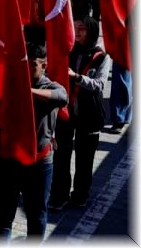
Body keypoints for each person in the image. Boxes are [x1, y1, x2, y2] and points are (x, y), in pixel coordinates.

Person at [0, 43, 68, 241]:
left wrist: (29, 92)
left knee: (36, 216)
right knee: (3, 215)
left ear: (44, 66)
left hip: (39, 162)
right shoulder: (8, 86)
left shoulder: (51, 87)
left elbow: (62, 97)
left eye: (33, 65)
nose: (27, 69)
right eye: (24, 65)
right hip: (7, 159)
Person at [51, 18, 111, 211]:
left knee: (85, 159)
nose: (77, 32)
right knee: (61, 156)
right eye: (74, 27)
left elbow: (99, 85)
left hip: (89, 114)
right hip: (66, 112)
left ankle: (80, 195)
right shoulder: (67, 49)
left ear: (92, 31)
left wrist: (76, 77)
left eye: (82, 29)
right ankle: (59, 194)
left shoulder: (101, 56)